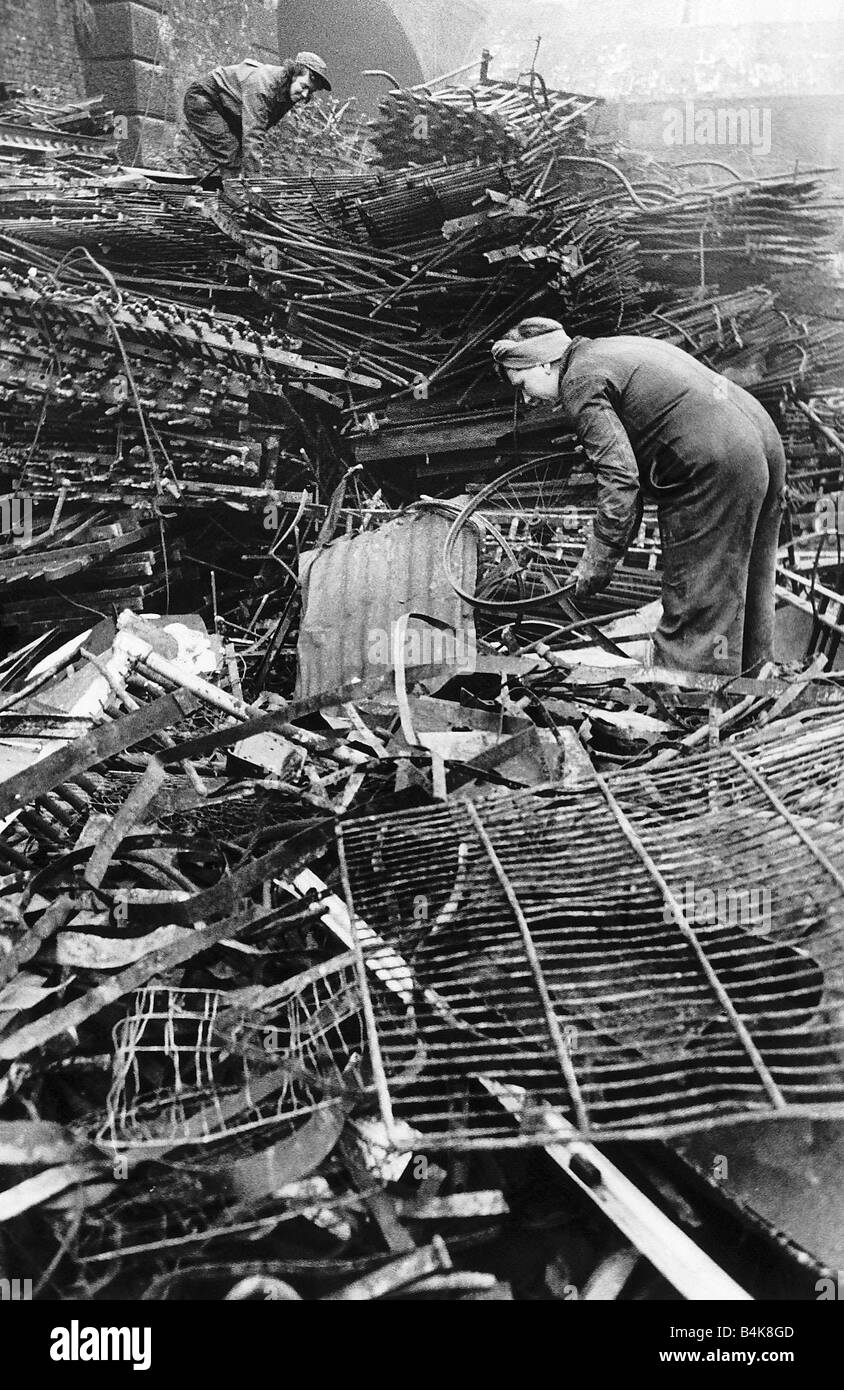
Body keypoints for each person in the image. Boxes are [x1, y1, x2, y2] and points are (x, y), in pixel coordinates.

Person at [491, 317, 787, 676]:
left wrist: (598, 560)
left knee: (697, 594)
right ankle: (754, 687)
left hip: (713, 465)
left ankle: (691, 705)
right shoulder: (606, 350)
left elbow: (620, 477)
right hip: (762, 444)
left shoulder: (579, 380)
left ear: (542, 363)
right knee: (753, 579)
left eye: (521, 384)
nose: (525, 397)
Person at [182, 52, 331, 180]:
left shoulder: (288, 91)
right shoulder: (264, 85)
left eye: (310, 92)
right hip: (203, 99)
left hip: (228, 108)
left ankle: (234, 192)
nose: (304, 94)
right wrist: (255, 181)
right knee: (231, 152)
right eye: (304, 87)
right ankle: (238, 201)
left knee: (239, 153)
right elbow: (253, 133)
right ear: (294, 74)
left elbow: (260, 129)